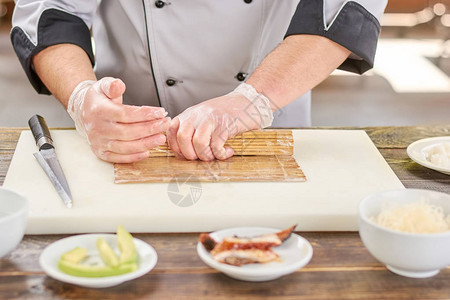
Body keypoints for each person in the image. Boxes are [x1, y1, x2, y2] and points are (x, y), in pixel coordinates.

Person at [11, 0, 387, 162]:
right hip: (129, 139)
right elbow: (48, 10)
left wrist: (250, 102)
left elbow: (341, 11)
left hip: (268, 126)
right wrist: (82, 96)